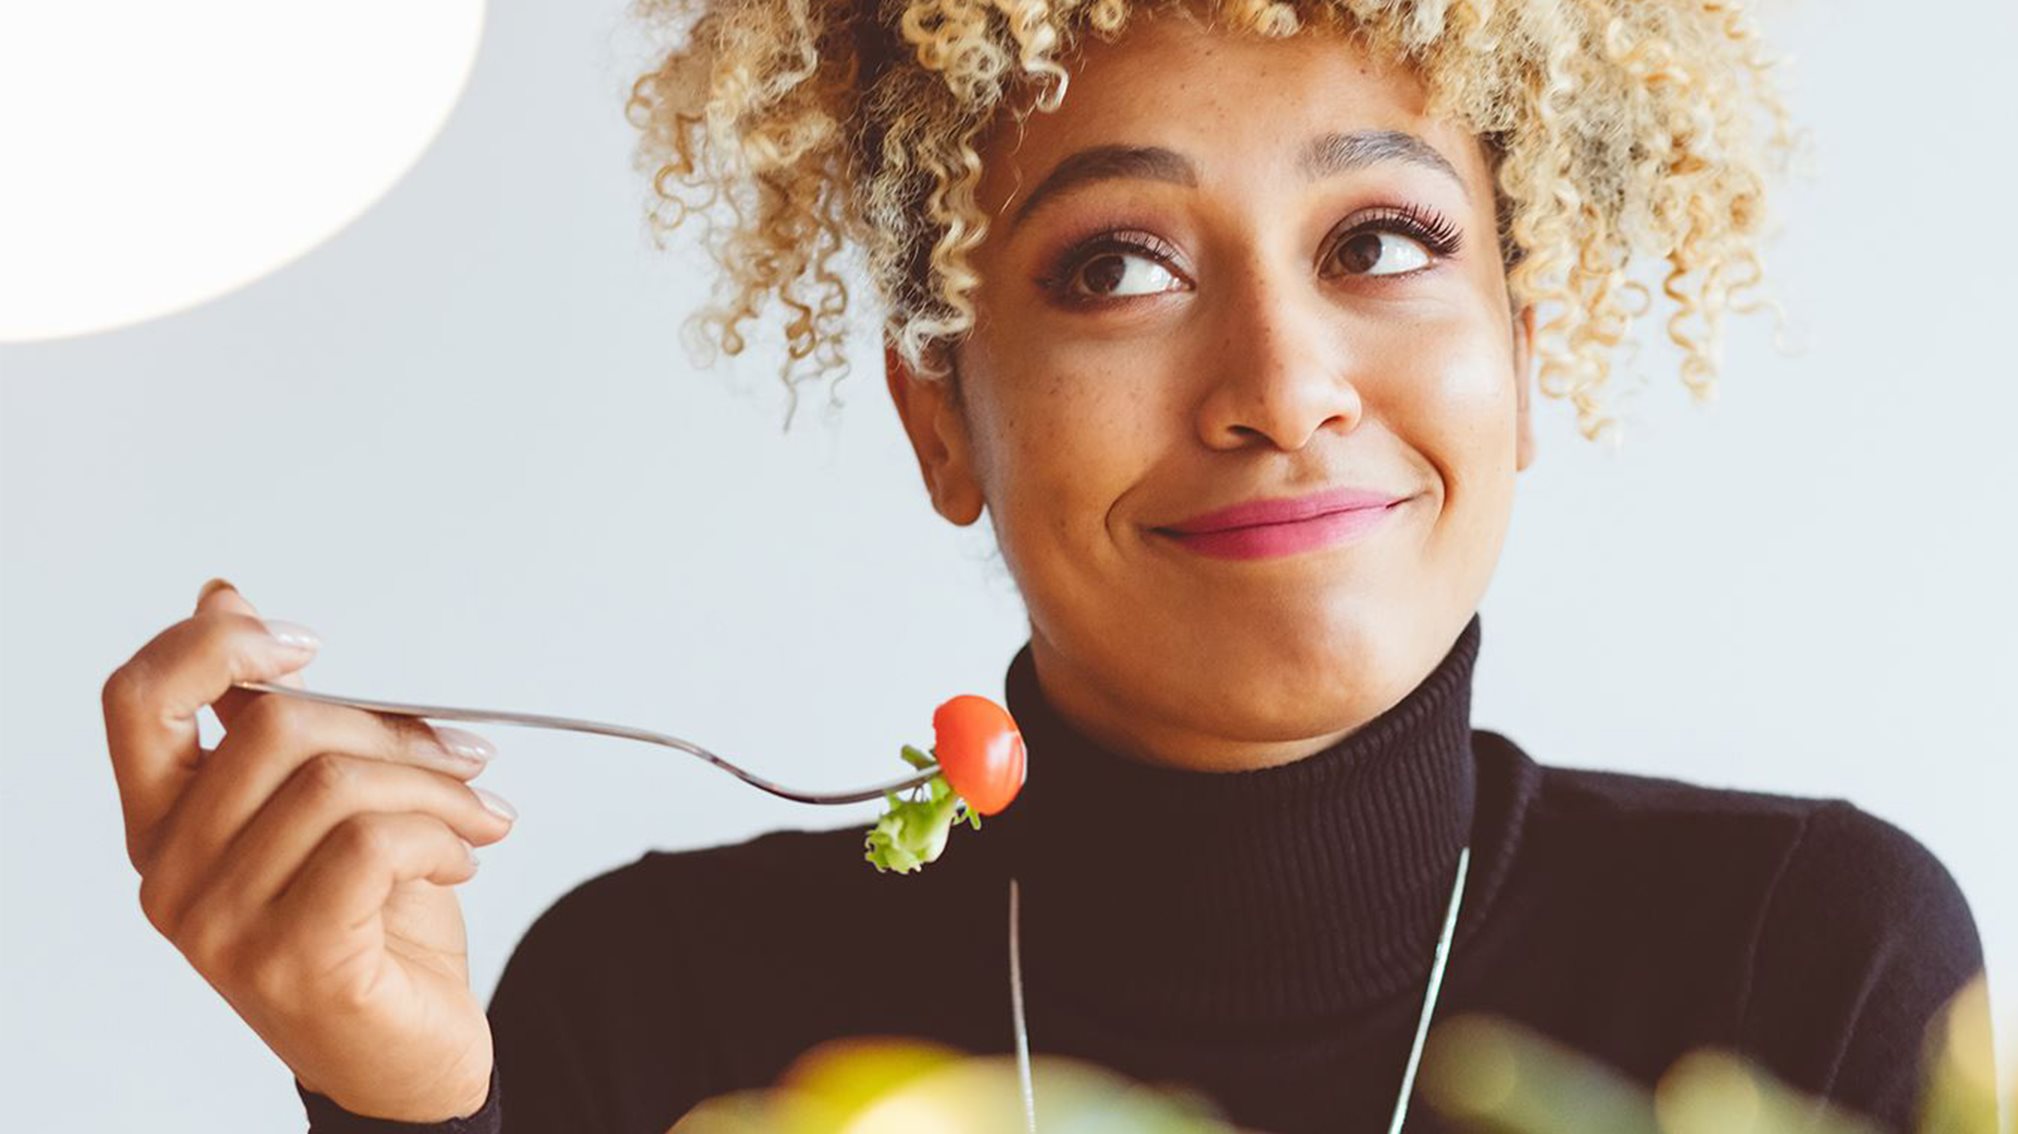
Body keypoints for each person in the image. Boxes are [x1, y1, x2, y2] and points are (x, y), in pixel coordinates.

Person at [101, 1, 1995, 1131]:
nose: (1280, 389)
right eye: (1118, 267)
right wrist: (409, 1112)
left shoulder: (1799, 963)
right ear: (943, 413)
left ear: (1524, 344)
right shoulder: (652, 1010)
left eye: (1383, 241)